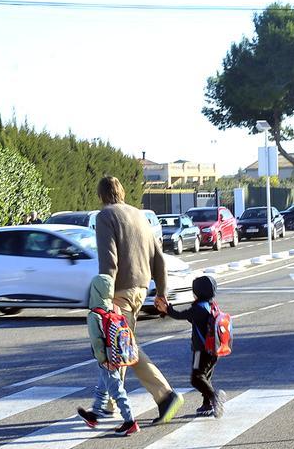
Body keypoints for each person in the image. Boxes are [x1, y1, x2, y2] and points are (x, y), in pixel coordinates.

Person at [95, 176, 184, 425]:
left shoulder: (105, 216)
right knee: (119, 346)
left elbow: (109, 262)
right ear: (122, 192)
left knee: (125, 346)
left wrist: (104, 294)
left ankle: (165, 395)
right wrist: (161, 292)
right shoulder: (139, 215)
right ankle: (112, 402)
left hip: (119, 291)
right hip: (141, 289)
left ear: (101, 195)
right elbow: (159, 257)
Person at [77, 275, 140, 436]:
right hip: (118, 355)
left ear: (95, 290)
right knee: (103, 386)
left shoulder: (94, 315)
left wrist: (103, 360)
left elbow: (97, 342)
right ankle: (94, 415)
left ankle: (130, 421)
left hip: (107, 359)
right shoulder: (114, 308)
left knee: (116, 390)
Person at [157, 275, 226, 418]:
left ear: (198, 292)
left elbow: (181, 315)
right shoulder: (210, 305)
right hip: (214, 350)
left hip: (202, 350)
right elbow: (192, 319)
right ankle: (207, 404)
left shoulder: (199, 308)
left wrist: (168, 309)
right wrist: (168, 311)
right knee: (205, 376)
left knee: (196, 378)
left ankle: (214, 398)